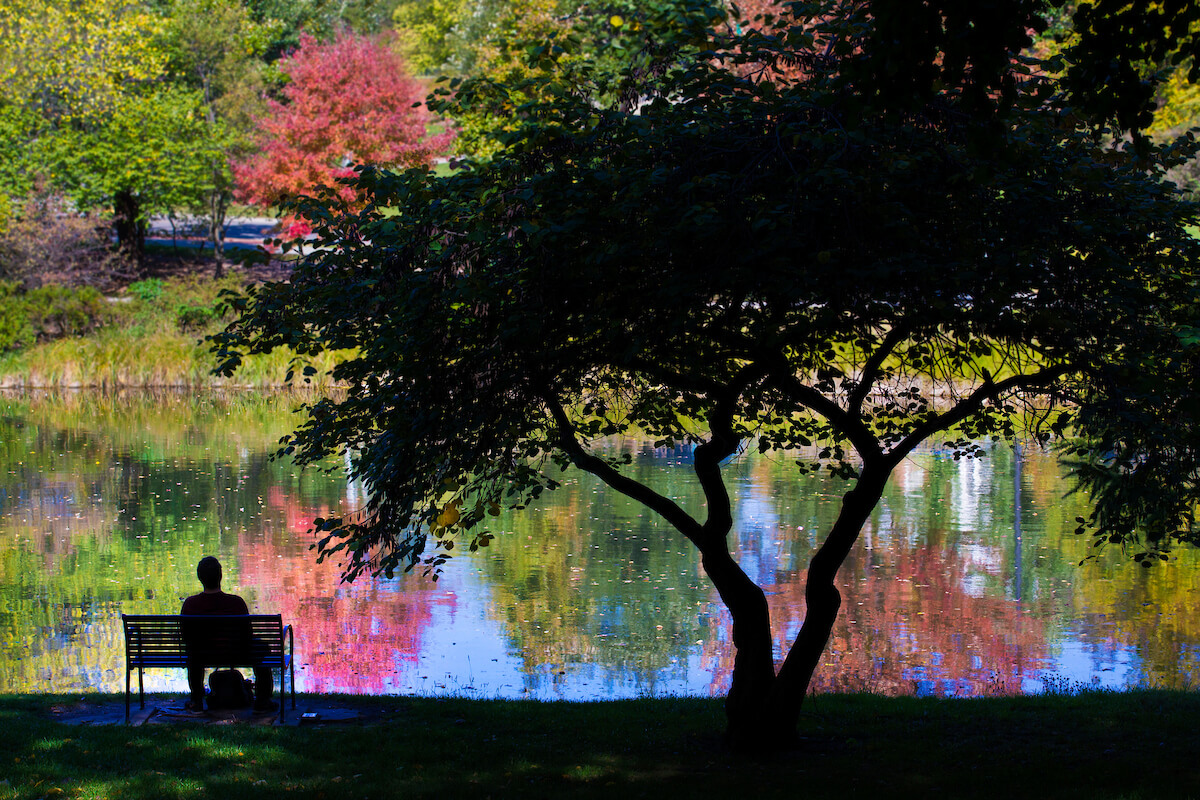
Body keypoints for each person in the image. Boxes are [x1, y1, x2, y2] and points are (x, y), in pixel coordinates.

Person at [180, 556, 275, 712]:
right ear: (220, 576)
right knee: (261, 648)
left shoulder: (190, 604)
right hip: (236, 653)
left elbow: (185, 636)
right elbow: (248, 635)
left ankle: (196, 700)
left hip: (200, 655)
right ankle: (263, 700)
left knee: (193, 651)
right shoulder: (236, 603)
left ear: (200, 578)